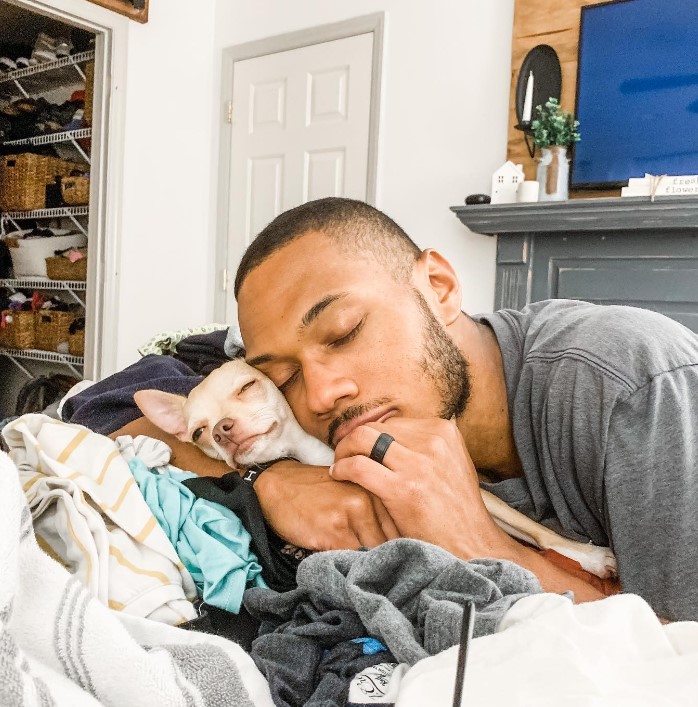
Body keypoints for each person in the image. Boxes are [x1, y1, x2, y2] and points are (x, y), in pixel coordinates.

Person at [234, 197, 698, 622]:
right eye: (283, 377)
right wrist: (272, 482)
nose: (319, 396)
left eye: (344, 333)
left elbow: (677, 664)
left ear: (439, 288)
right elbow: (168, 422)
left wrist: (480, 545)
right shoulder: (326, 414)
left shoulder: (634, 385)